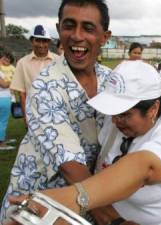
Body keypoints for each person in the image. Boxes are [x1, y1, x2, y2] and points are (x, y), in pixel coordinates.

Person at [8, 61, 161, 225]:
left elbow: (144, 166)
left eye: (124, 114)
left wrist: (74, 198)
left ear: (153, 108)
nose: (114, 121)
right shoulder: (115, 122)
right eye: (113, 112)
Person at [0, 0, 112, 223]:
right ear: (59, 29)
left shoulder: (112, 80)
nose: (77, 35)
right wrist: (112, 219)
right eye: (69, 25)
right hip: (38, 203)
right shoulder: (44, 86)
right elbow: (69, 165)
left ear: (104, 37)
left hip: (88, 198)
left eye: (88, 28)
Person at [9, 24, 58, 122]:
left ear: (48, 42)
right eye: (38, 40)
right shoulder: (22, 63)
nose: (41, 44)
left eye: (44, 41)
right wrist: (26, 119)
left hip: (57, 113)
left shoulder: (58, 60)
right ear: (32, 41)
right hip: (33, 115)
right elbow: (22, 94)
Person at [0, 62, 14, 151]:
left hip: (3, 97)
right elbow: (4, 84)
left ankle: (3, 138)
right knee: (2, 121)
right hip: (3, 97)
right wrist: (12, 80)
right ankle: (1, 143)